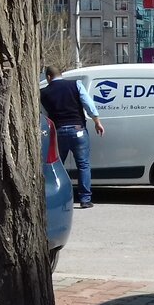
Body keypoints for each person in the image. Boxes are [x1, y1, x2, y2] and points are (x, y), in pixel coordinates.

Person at [40, 65, 105, 208]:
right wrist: (97, 121)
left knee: (57, 167)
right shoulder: (75, 85)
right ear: (61, 74)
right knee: (83, 165)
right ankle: (85, 199)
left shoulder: (43, 93)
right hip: (78, 130)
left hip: (59, 132)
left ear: (48, 77)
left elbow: (44, 115)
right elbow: (88, 103)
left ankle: (60, 198)